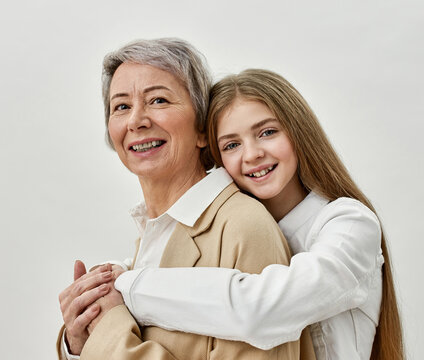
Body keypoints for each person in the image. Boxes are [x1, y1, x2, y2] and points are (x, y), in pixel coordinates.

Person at [97, 69, 404, 359]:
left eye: (267, 132)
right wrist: (107, 280)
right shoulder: (234, 226)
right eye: (231, 144)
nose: (252, 154)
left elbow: (262, 311)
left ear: (299, 133)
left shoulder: (349, 224)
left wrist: (128, 288)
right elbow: (155, 265)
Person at [57, 39, 314, 360]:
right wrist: (79, 344)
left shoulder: (243, 227)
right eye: (121, 106)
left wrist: (108, 330)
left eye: (159, 100)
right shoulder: (151, 235)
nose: (136, 120)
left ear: (203, 129)